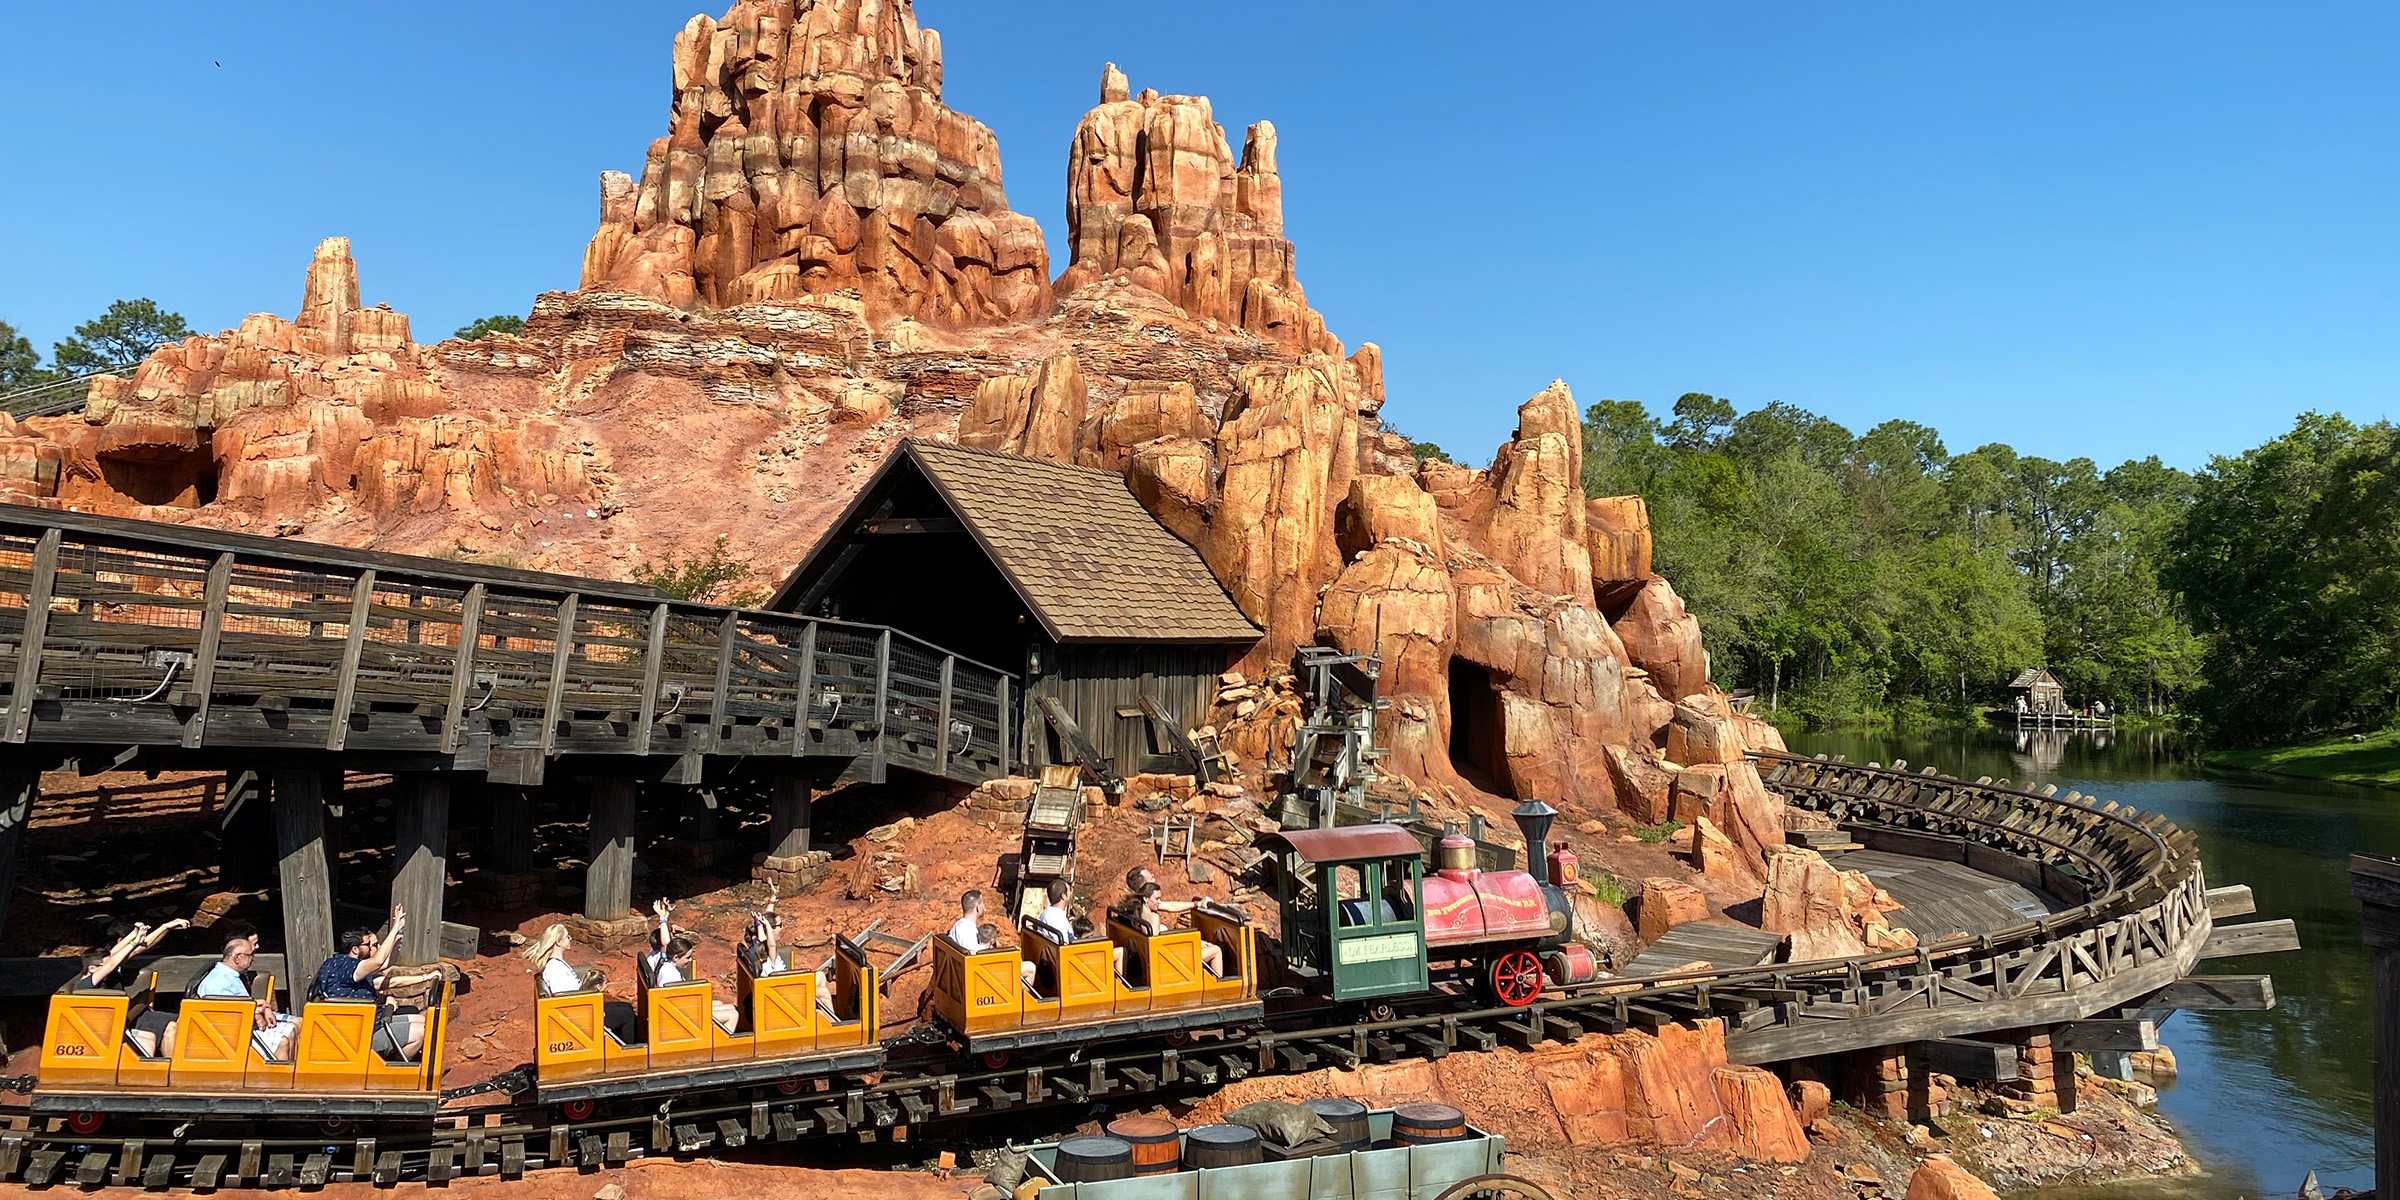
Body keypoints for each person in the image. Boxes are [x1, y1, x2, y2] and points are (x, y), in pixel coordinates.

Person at [312, 906, 432, 1061]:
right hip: (361, 1035)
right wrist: (394, 929)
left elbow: (386, 962)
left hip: (373, 1022)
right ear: (355, 949)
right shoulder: (346, 967)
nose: (373, 948)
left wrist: (399, 931)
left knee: (426, 1022)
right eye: (369, 945)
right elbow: (378, 961)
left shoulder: (348, 964)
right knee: (423, 1032)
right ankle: (394, 1075)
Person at [74, 918, 190, 1057]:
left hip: (129, 1017)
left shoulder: (104, 967)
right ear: (92, 968)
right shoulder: (86, 983)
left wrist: (139, 933)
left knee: (182, 1022)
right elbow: (111, 964)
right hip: (113, 1025)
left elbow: (128, 953)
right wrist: (134, 941)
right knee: (161, 1033)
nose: (114, 965)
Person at [196, 928, 298, 1061]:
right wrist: (255, 1015)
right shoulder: (217, 982)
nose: (253, 959)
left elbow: (240, 1003)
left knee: (291, 1030)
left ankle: (292, 1076)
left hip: (245, 1025)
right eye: (250, 955)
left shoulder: (231, 974)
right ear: (238, 957)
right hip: (232, 1035)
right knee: (282, 1041)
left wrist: (263, 1008)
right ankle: (277, 1079)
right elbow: (225, 1015)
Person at [1129, 882, 1225, 978]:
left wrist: (1197, 904)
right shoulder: (1153, 917)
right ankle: (1218, 986)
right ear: (1146, 898)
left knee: (1204, 946)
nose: (1159, 902)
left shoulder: (1139, 912)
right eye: (1157, 899)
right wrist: (1192, 943)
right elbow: (1157, 945)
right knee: (1216, 950)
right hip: (1167, 961)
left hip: (1159, 957)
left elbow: (1172, 906)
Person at [1033, 879, 1074, 944]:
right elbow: (1064, 947)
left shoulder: (1047, 912)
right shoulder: (1058, 920)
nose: (1071, 893)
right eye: (1069, 890)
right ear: (1063, 896)